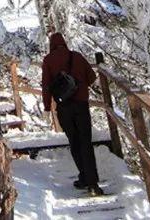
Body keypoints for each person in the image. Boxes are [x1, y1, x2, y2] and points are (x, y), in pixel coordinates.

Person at [41, 32, 103, 196]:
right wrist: (78, 85)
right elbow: (92, 77)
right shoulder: (76, 56)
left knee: (74, 142)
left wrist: (47, 107)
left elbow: (46, 86)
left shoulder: (48, 60)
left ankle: (84, 177)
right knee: (86, 142)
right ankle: (93, 183)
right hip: (81, 106)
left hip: (64, 108)